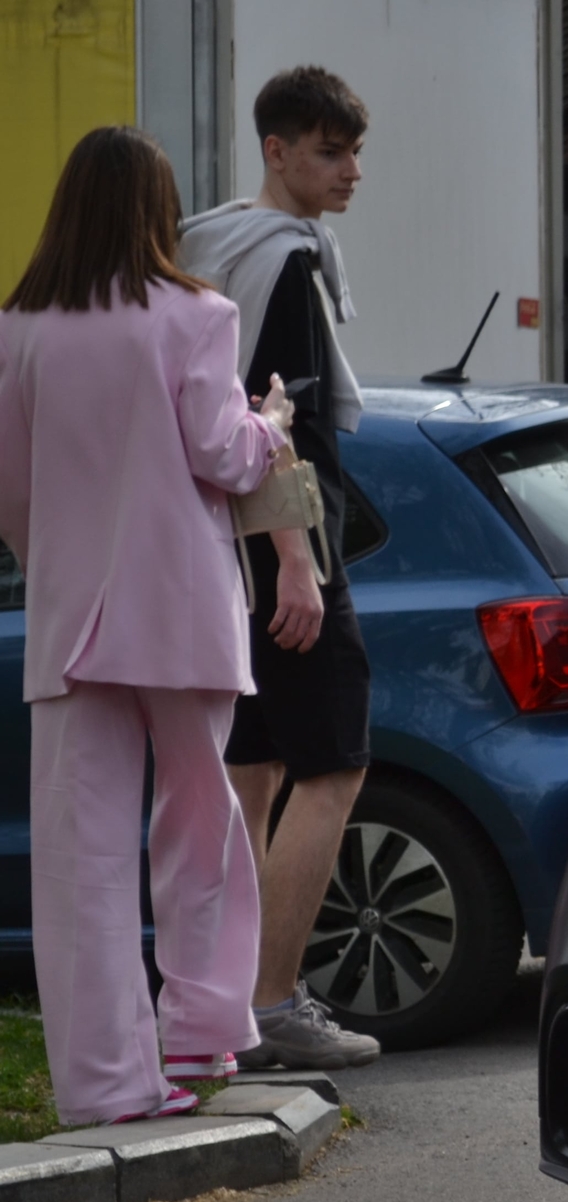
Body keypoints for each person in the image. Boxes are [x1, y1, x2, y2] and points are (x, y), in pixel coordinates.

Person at [0, 127, 298, 1124]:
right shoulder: (197, 314)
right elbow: (223, 454)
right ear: (160, 210)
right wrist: (273, 426)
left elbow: (11, 491)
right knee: (200, 825)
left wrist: (56, 574)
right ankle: (204, 1031)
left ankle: (105, 1085)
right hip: (177, 612)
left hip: (68, 622)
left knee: (78, 860)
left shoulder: (19, 328)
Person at [178, 65, 380, 1069]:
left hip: (218, 554)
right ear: (276, 151)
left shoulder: (208, 246)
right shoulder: (288, 261)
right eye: (330, 152)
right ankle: (274, 1002)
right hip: (282, 552)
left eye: (353, 153)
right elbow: (274, 423)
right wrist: (298, 562)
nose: (349, 173)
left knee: (251, 772)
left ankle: (228, 1004)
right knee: (335, 766)